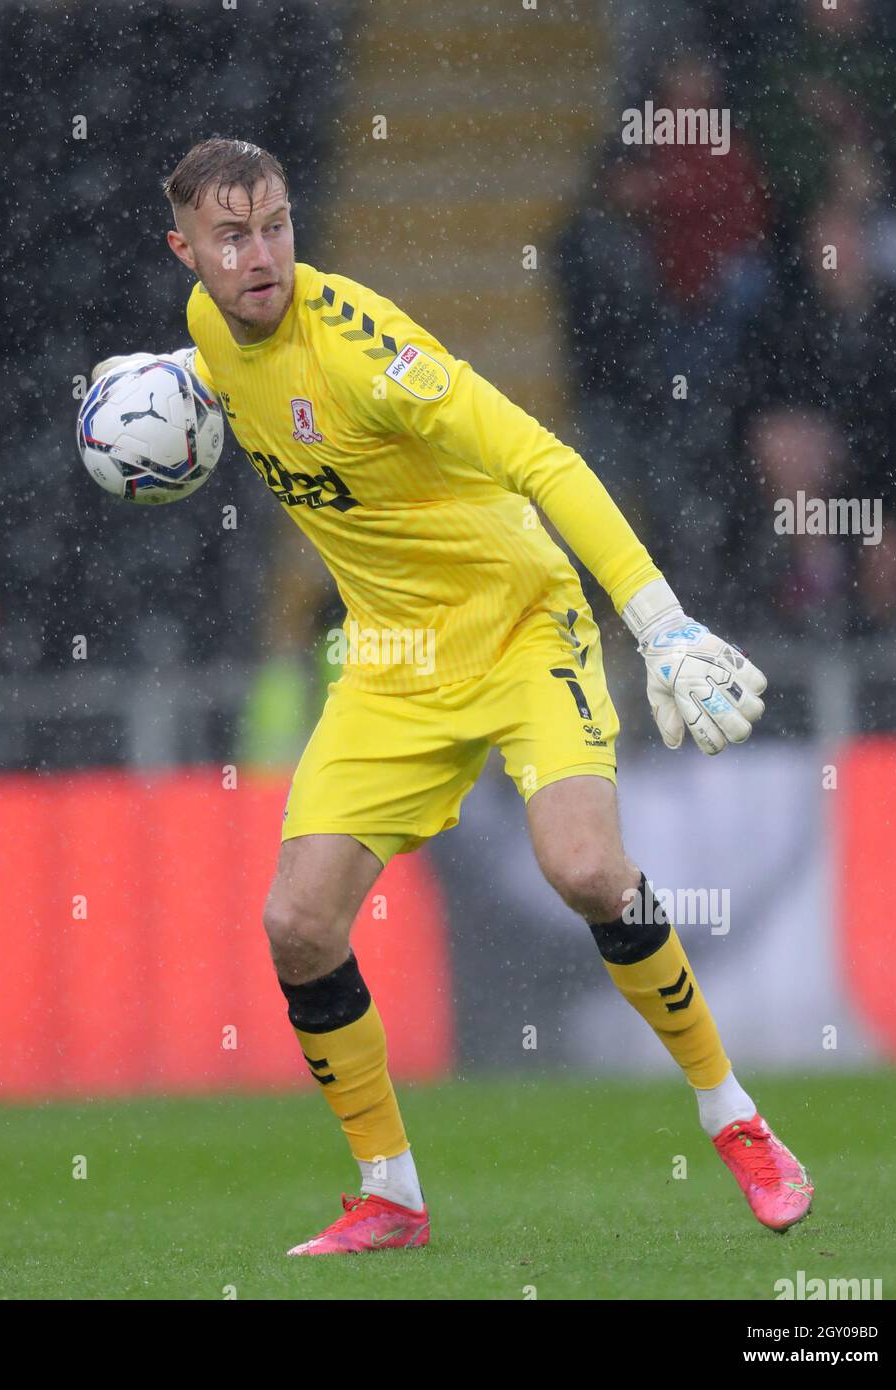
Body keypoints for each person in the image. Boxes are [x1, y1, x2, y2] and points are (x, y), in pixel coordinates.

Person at [96, 137, 813, 1256]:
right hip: (390, 658)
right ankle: (390, 1192)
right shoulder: (199, 341)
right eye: (231, 236)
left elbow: (543, 460)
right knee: (296, 924)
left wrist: (656, 618)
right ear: (183, 250)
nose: (261, 254)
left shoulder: (368, 350)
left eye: (277, 224)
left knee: (582, 869)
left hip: (522, 625)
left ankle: (735, 1117)